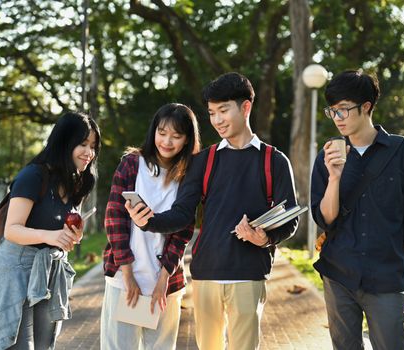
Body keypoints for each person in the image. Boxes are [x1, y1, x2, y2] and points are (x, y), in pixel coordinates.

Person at [127, 72, 299, 350]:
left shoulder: (274, 160)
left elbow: (290, 219)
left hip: (249, 273)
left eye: (223, 110)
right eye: (211, 113)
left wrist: (264, 239)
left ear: (245, 107)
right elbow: (183, 214)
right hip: (206, 273)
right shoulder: (203, 161)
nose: (217, 120)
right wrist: (149, 221)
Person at [310, 69, 404, 350]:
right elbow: (325, 218)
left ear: (367, 107)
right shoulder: (327, 155)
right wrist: (335, 176)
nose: (337, 118)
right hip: (338, 273)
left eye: (343, 110)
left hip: (386, 276)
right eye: (332, 111)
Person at [0, 112, 100, 350]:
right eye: (82, 144)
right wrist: (50, 236)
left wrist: (72, 235)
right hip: (16, 268)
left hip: (50, 268)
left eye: (92, 146)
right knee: (18, 344)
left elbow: (59, 226)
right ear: (64, 142)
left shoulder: (77, 181)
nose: (89, 152)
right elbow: (12, 230)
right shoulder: (33, 175)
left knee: (44, 344)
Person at [101, 103, 201, 350]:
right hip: (124, 278)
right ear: (153, 131)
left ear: (187, 140)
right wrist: (128, 276)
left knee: (161, 347)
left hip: (164, 283)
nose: (167, 141)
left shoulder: (189, 175)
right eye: (162, 132)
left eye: (176, 136)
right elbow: (114, 220)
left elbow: (183, 232)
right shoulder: (132, 165)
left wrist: (163, 279)